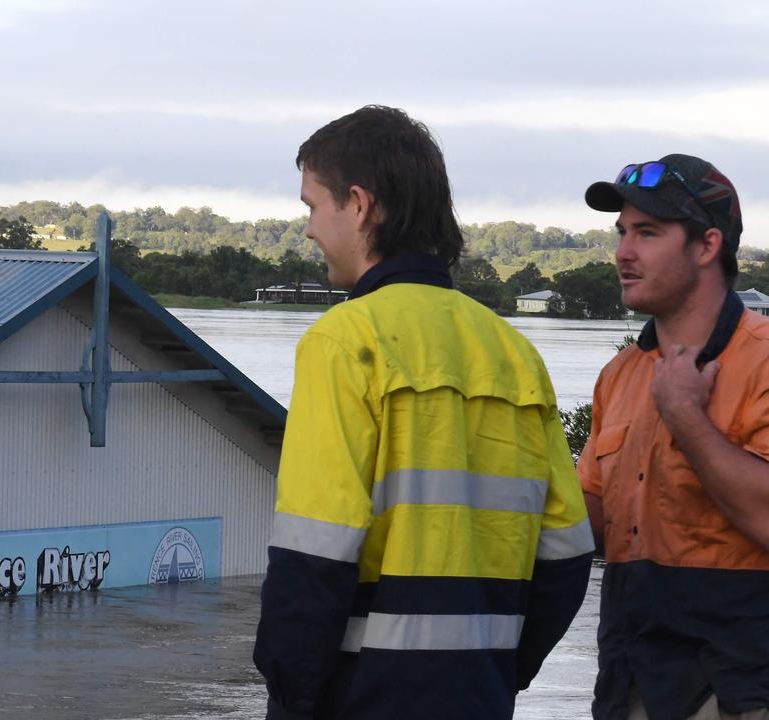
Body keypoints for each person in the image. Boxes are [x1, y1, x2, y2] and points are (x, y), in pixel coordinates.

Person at [253, 104, 593, 720]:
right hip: (479, 696)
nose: (306, 229)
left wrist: (290, 696)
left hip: (359, 697)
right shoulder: (515, 354)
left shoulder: (345, 340)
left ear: (358, 205)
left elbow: (314, 555)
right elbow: (566, 556)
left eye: (311, 205)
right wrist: (500, 673)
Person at [579, 155, 769, 720]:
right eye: (621, 233)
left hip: (741, 690)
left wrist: (686, 416)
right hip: (630, 682)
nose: (623, 252)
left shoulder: (762, 361)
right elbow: (586, 519)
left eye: (648, 233)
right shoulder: (620, 375)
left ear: (708, 246)